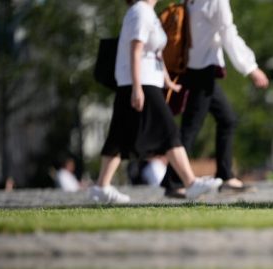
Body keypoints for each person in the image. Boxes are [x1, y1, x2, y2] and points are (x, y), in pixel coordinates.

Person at [90, 0, 222, 204]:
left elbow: (156, 53)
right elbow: (135, 49)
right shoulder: (140, 12)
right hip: (141, 82)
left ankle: (101, 187)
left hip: (146, 82)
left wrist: (168, 81)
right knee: (170, 131)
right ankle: (190, 182)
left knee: (118, 138)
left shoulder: (148, 13)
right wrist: (136, 87)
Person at [161, 0, 270, 198]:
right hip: (203, 69)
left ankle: (225, 176)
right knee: (191, 127)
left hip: (194, 67)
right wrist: (251, 68)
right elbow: (228, 33)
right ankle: (174, 181)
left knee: (227, 119)